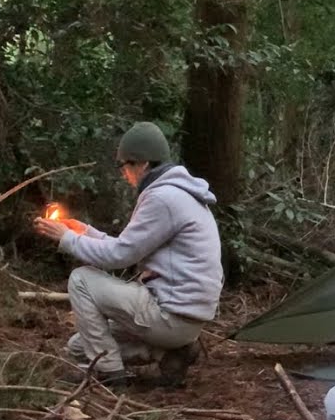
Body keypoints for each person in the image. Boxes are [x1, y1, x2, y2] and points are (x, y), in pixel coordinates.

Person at [34, 122, 223, 387]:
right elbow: (128, 246)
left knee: (81, 279)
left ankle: (109, 373)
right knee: (80, 346)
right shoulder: (179, 195)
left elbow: (119, 256)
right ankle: (170, 353)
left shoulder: (163, 198)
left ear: (142, 164)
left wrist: (65, 238)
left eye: (124, 165)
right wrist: (83, 231)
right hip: (185, 320)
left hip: (170, 314)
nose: (124, 174)